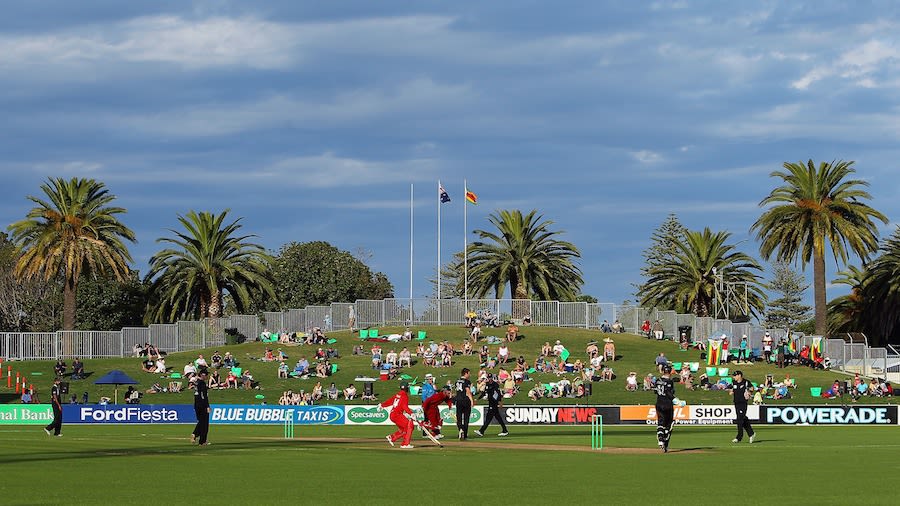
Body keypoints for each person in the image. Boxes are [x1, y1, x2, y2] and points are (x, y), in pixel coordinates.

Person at [379, 383, 415, 449]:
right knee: (410, 426)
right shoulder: (404, 395)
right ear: (407, 388)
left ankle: (393, 437)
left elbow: (391, 401)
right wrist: (411, 413)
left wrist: (382, 405)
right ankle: (405, 444)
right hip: (397, 415)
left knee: (404, 429)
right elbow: (404, 406)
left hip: (393, 414)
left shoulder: (398, 394)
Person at [654, 364, 676, 452]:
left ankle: (660, 439)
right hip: (667, 404)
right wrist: (676, 399)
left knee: (660, 422)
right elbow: (669, 393)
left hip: (659, 403)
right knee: (669, 424)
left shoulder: (657, 380)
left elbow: (655, 391)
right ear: (670, 372)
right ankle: (665, 441)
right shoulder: (669, 382)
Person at [730, 370, 755, 444]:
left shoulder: (746, 382)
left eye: (735, 375)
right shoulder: (733, 382)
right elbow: (732, 389)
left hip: (743, 402)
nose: (734, 377)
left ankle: (739, 437)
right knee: (743, 418)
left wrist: (749, 392)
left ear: (739, 375)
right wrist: (731, 391)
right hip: (736, 402)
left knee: (739, 419)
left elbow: (752, 388)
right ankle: (751, 433)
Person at [454, 367, 475, 440]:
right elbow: (468, 392)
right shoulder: (467, 381)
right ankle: (465, 434)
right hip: (465, 400)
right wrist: (472, 401)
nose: (469, 375)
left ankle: (460, 429)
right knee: (466, 418)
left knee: (459, 418)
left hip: (458, 400)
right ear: (466, 373)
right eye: (469, 373)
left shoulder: (457, 381)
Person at [191, 369, 211, 445]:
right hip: (202, 405)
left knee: (201, 422)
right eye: (206, 375)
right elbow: (204, 396)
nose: (207, 377)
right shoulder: (202, 383)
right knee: (205, 424)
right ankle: (202, 440)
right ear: (203, 375)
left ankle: (195, 435)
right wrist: (207, 406)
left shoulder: (196, 382)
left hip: (196, 405)